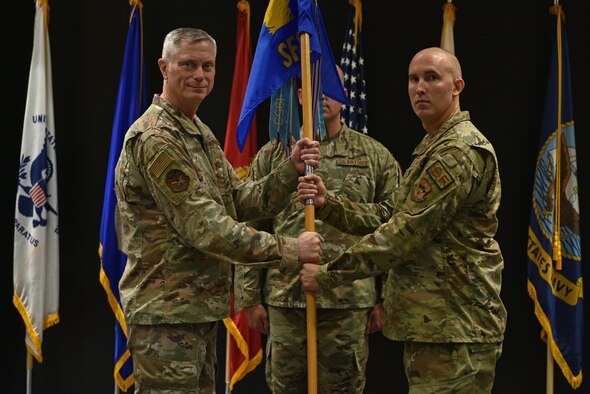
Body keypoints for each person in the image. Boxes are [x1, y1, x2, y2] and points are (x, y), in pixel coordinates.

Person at [114, 27, 324, 393]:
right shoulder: (156, 138)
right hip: (166, 316)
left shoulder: (197, 132)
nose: (200, 75)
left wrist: (289, 172)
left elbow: (239, 201)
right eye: (188, 64)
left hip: (194, 309)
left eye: (207, 66)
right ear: (164, 67)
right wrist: (291, 249)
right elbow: (206, 227)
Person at [299, 47, 507, 393]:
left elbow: (404, 234)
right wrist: (329, 204)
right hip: (436, 324)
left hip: (454, 326)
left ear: (457, 86)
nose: (420, 88)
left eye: (431, 78)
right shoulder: (434, 146)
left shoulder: (456, 152)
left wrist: (328, 274)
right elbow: (390, 213)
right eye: (413, 79)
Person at [234, 65, 402, 393]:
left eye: (330, 87)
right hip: (287, 297)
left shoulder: (374, 156)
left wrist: (386, 298)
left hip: (349, 300)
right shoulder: (275, 155)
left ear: (345, 95)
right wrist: (249, 298)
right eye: (314, 88)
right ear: (299, 96)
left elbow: (394, 227)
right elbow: (252, 223)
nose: (322, 95)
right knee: (285, 387)